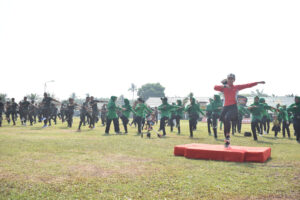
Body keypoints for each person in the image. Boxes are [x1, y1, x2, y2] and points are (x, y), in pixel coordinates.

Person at [214, 73, 265, 148]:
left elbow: (247, 85)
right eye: (229, 79)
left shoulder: (237, 87)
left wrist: (257, 82)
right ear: (227, 79)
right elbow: (214, 87)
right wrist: (224, 85)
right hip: (225, 107)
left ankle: (228, 137)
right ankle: (227, 139)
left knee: (227, 117)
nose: (230, 80)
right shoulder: (224, 87)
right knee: (225, 122)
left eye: (232, 79)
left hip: (233, 107)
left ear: (234, 80)